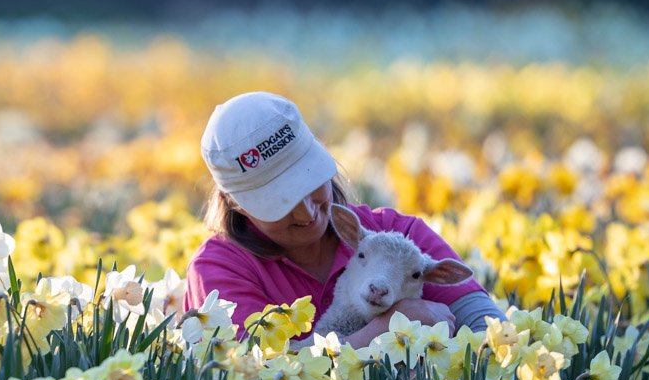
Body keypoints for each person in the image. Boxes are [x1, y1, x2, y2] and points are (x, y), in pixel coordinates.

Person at [183, 91, 503, 348]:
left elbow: (492, 332)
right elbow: (259, 376)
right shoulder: (220, 269)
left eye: (310, 184)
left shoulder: (398, 237)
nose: (307, 212)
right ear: (234, 203)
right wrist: (390, 327)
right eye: (279, 202)